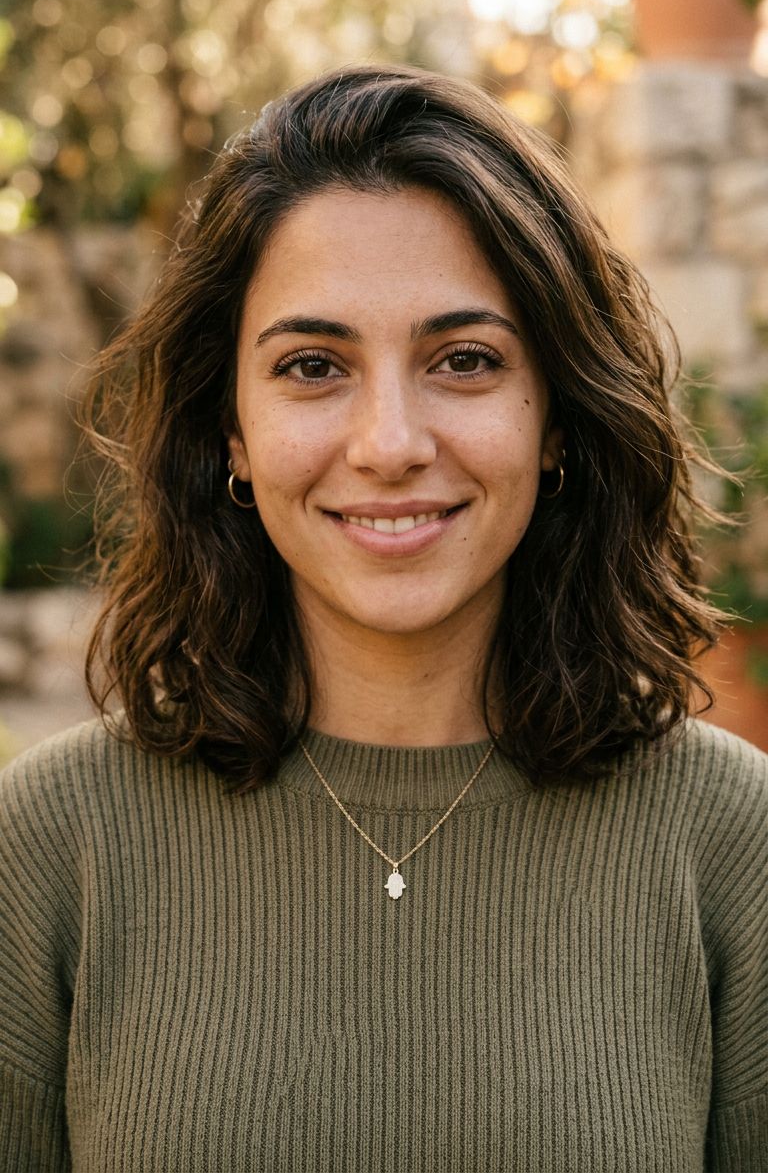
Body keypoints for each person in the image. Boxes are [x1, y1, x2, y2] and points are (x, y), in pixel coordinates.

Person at [1, 65, 766, 1172]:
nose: (391, 440)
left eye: (464, 360)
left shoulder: (729, 845)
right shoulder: (48, 852)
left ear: (555, 414)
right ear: (233, 435)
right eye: (314, 366)